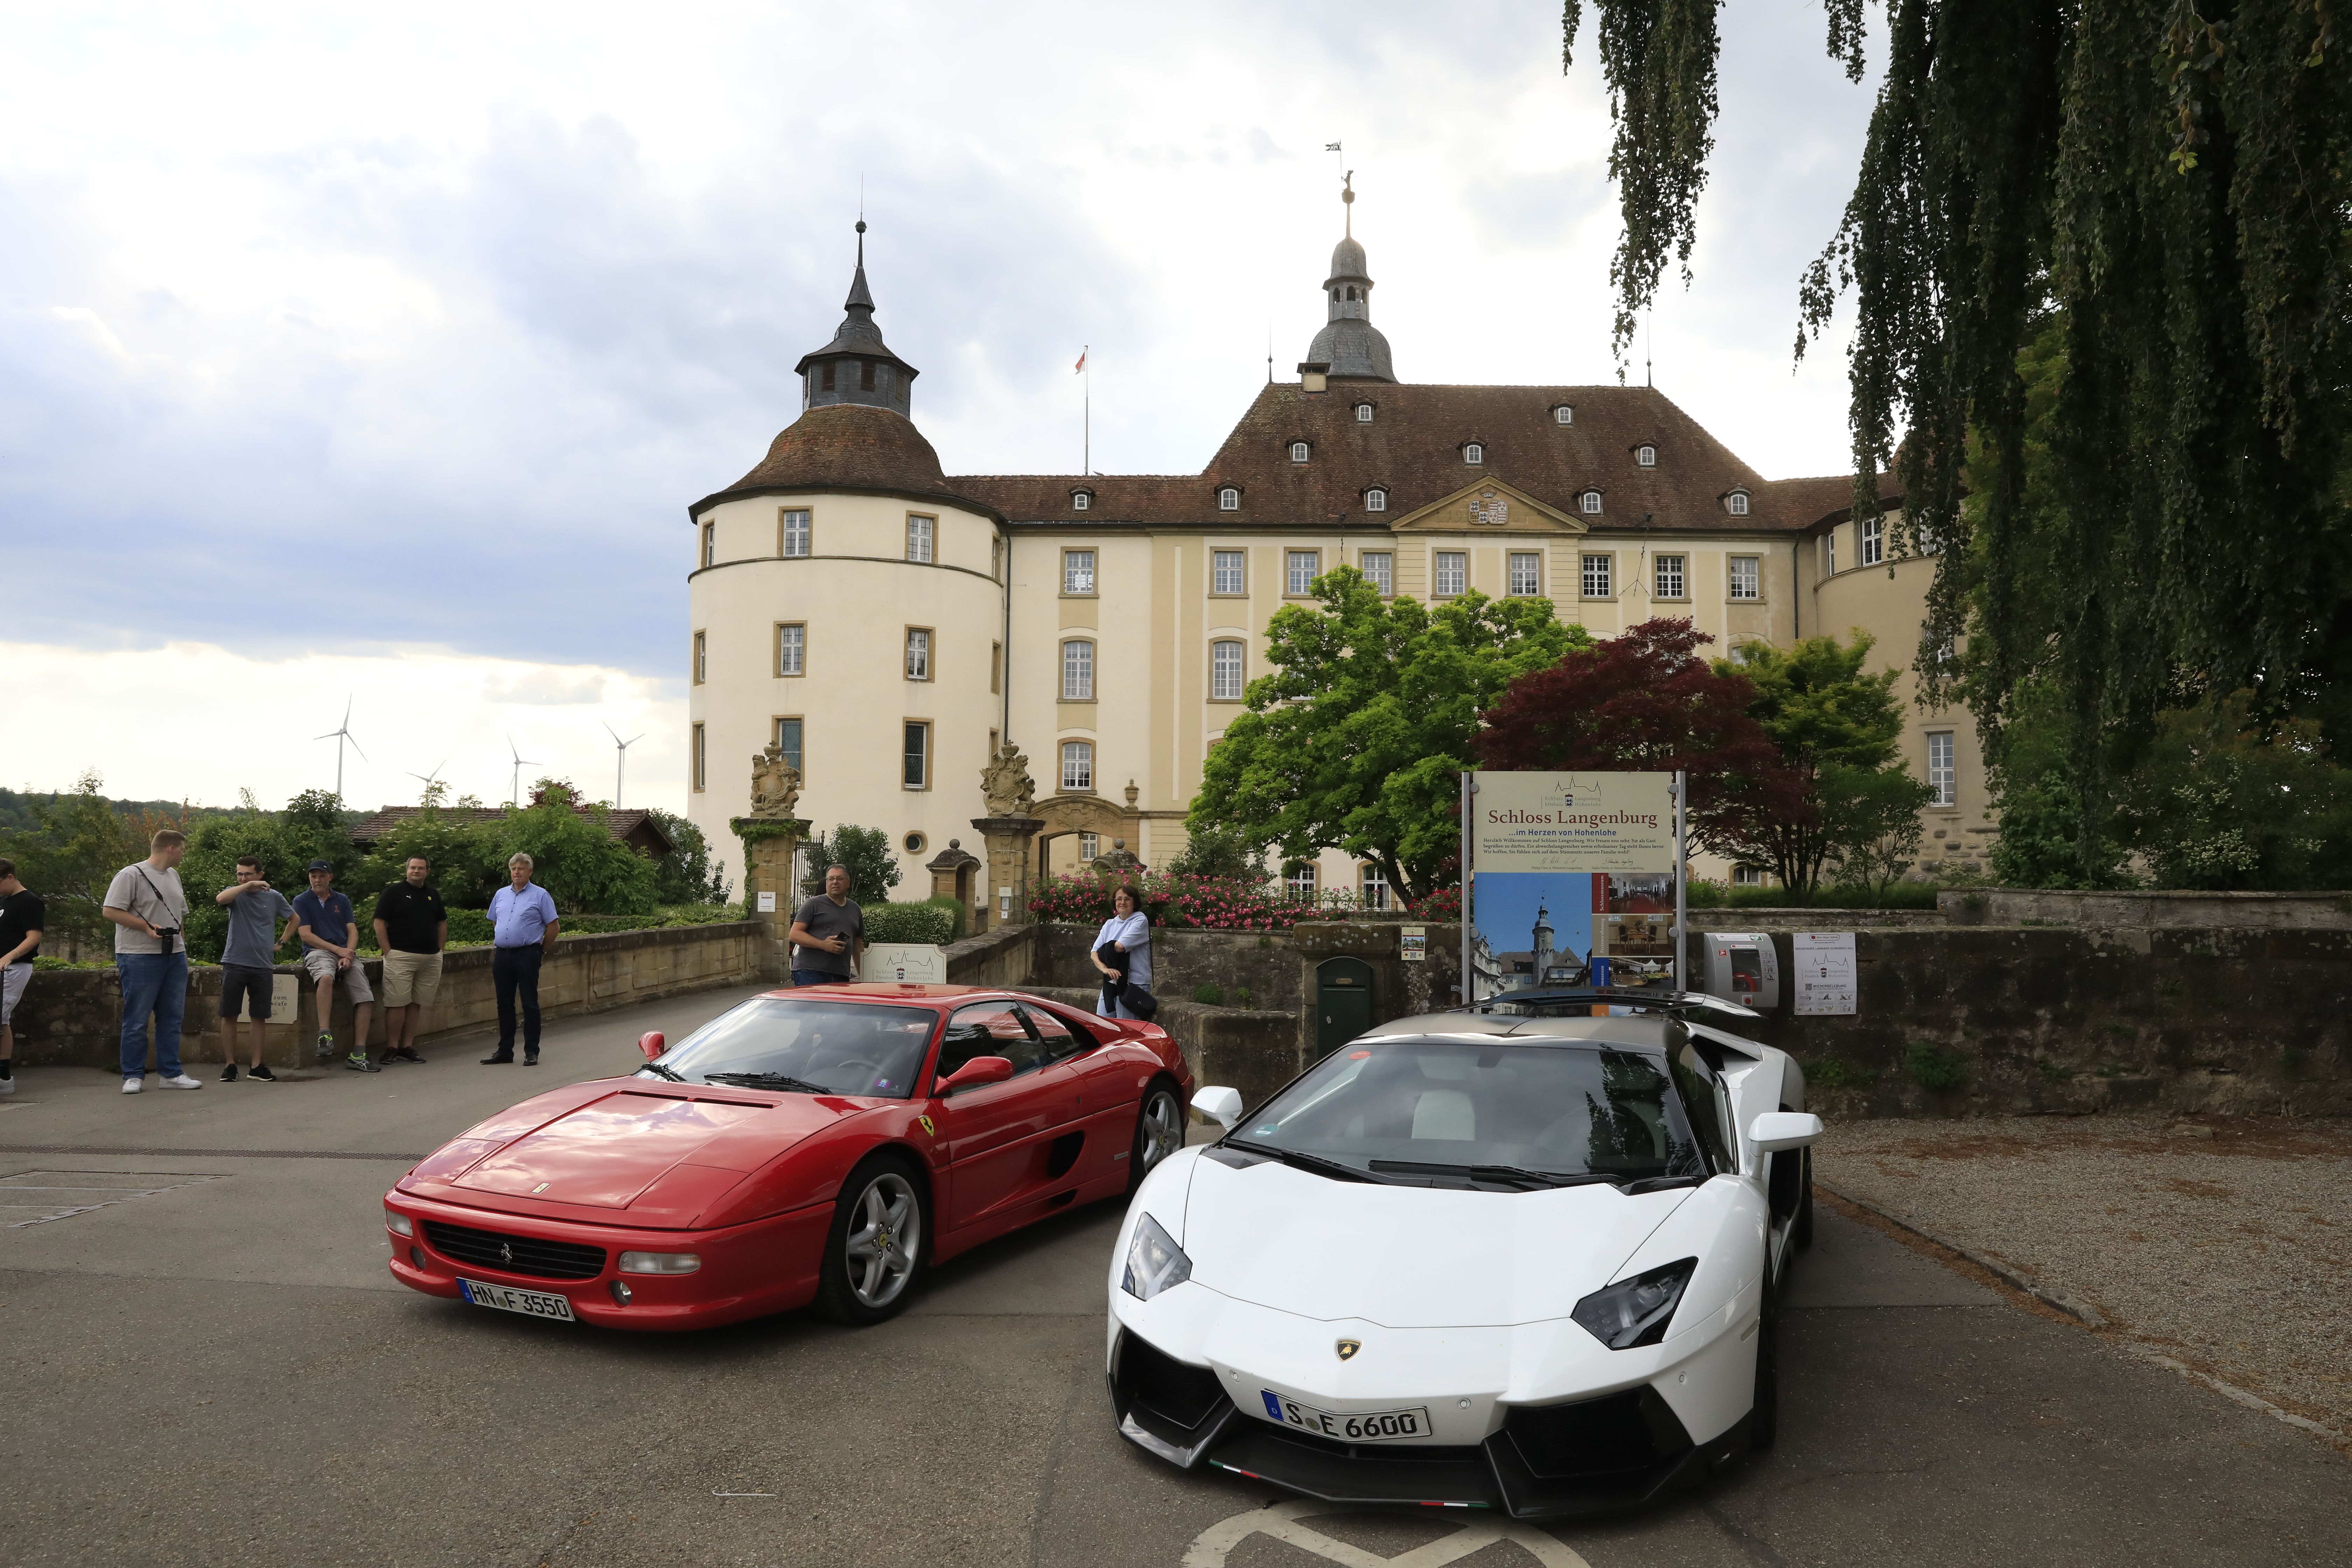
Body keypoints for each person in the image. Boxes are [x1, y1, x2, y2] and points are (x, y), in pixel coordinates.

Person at [102, 828, 203, 1092]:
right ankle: (133, 1075)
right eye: (182, 849)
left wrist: (182, 944)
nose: (183, 854)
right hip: (138, 955)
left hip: (174, 956)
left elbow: (180, 916)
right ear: (171, 848)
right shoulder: (131, 875)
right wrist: (146, 928)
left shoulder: (174, 876)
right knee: (136, 1018)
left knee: (172, 1017)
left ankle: (171, 1074)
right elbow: (110, 911)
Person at [213, 856, 296, 1082]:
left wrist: (281, 943)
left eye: (248, 874)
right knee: (229, 1014)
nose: (243, 877)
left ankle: (256, 1066)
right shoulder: (236, 893)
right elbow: (220, 899)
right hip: (235, 962)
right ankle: (230, 1066)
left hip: (262, 965)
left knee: (259, 1017)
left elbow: (294, 919)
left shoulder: (274, 897)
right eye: (240, 873)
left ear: (261, 874)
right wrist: (246, 886)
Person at [292, 859, 377, 1073]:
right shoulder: (302, 900)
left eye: (322, 876)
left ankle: (359, 1054)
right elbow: (306, 935)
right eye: (314, 876)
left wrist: (348, 954)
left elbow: (353, 932)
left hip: (344, 952)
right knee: (326, 978)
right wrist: (339, 951)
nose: (317, 880)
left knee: (365, 997)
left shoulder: (342, 900)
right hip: (318, 951)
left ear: (330, 877)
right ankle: (325, 1034)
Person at [483, 852, 559, 1066]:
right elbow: (495, 921)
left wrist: (540, 952)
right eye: (514, 869)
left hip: (528, 954)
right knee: (504, 1004)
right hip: (503, 955)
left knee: (529, 1003)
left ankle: (532, 1051)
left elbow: (553, 927)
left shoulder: (541, 895)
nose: (517, 872)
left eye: (521, 869)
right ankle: (505, 1051)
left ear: (530, 871)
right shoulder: (500, 894)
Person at [372, 855, 446, 1065]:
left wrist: (440, 951)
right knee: (396, 1003)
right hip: (400, 956)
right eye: (413, 868)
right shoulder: (394, 893)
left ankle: (407, 1047)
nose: (416, 871)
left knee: (416, 1003)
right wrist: (388, 952)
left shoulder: (433, 895)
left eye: (421, 868)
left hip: (430, 958)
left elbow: (442, 923)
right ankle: (392, 1047)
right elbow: (379, 922)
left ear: (427, 872)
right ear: (407, 870)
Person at [0, 858, 43, 1098]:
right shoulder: (3, 900)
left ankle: (4, 1078)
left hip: (14, 968)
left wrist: (10, 956)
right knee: (1, 1019)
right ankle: (4, 1079)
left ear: (10, 878)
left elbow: (34, 936)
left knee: (0, 1017)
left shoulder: (29, 902)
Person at [788, 864, 865, 987]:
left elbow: (857, 945)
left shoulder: (855, 909)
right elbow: (794, 934)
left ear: (848, 883)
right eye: (831, 879)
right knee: (813, 1007)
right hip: (810, 972)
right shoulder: (812, 904)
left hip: (841, 974)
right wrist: (823, 945)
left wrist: (864, 976)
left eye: (840, 879)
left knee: (836, 1007)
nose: (835, 882)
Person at [1090, 884, 1152, 1020]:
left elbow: (1120, 947)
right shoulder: (1109, 924)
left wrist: (1104, 950)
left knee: (1127, 1030)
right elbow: (1094, 953)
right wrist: (1105, 969)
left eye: (1127, 899)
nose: (1123, 902)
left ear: (1134, 903)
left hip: (1134, 985)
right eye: (1119, 899)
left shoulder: (1140, 920)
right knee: (1104, 1026)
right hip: (1111, 984)